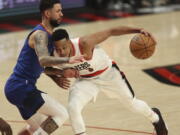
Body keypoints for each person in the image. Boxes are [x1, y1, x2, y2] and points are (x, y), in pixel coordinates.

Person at [46, 27, 168, 135]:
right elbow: (41, 68)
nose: (61, 52)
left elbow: (111, 31)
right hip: (86, 81)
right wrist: (59, 74)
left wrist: (138, 30)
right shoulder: (52, 55)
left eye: (64, 47)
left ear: (69, 42)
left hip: (108, 74)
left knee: (133, 105)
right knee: (73, 107)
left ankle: (155, 118)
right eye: (58, 49)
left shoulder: (84, 42)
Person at [4, 0, 83, 135]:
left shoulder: (48, 36)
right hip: (21, 87)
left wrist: (59, 74)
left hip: (17, 88)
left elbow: (41, 67)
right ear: (47, 13)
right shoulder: (40, 34)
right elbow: (43, 60)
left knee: (38, 128)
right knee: (61, 114)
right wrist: (68, 59)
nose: (62, 14)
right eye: (58, 11)